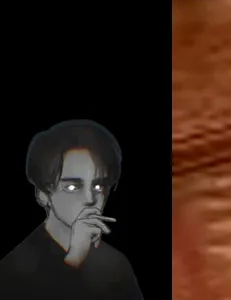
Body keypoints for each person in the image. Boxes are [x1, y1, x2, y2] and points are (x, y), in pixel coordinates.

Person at [0, 120, 143, 299]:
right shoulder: (15, 269)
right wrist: (74, 259)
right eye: (72, 187)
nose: (90, 199)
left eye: (98, 186)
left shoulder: (115, 265)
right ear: (43, 194)